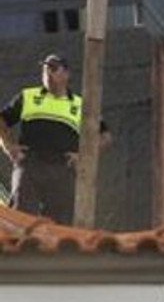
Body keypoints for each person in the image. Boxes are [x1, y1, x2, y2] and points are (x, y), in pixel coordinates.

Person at [0, 53, 109, 224]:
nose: (47, 74)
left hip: (63, 169)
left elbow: (105, 136)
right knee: (19, 217)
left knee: (59, 225)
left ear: (66, 74)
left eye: (53, 69)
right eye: (45, 70)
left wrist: (84, 157)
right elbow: (2, 120)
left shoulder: (81, 105)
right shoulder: (28, 96)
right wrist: (8, 146)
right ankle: (18, 250)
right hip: (30, 165)